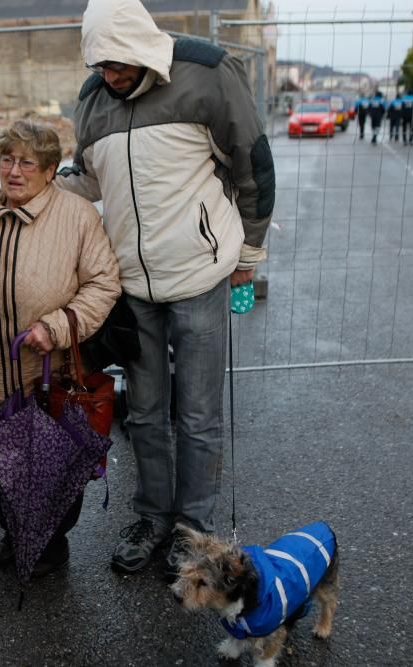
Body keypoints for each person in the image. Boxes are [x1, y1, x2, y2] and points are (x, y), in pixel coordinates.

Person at [56, 0, 274, 581]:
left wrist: (250, 253)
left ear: (141, 46)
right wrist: (32, 190)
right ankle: (152, 517)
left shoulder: (206, 72)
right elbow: (89, 178)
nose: (109, 75)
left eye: (117, 63)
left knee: (198, 416)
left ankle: (194, 532)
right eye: (99, 64)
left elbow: (254, 164)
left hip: (200, 275)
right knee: (147, 413)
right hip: (132, 285)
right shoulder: (93, 98)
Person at [0, 120, 121, 578]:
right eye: (6, 160)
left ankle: (51, 539)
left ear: (50, 170)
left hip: (48, 371)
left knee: (52, 462)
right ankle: (17, 531)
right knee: (4, 463)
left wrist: (56, 327)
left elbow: (103, 283)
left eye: (27, 163)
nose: (14, 171)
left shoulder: (78, 216)